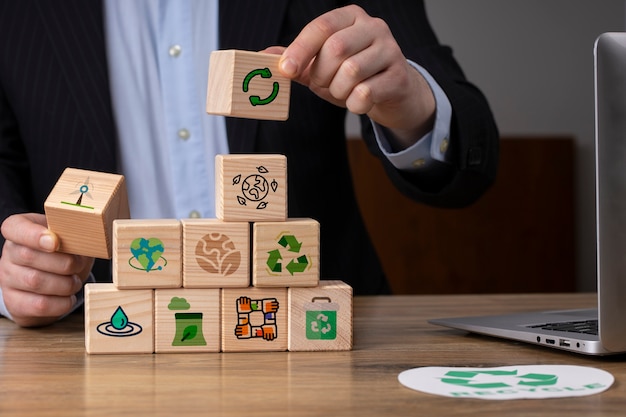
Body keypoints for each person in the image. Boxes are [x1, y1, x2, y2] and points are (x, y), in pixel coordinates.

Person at [0, 1, 499, 327]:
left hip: (316, 330)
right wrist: (12, 280)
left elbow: (470, 150)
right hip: (99, 333)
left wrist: (411, 103)